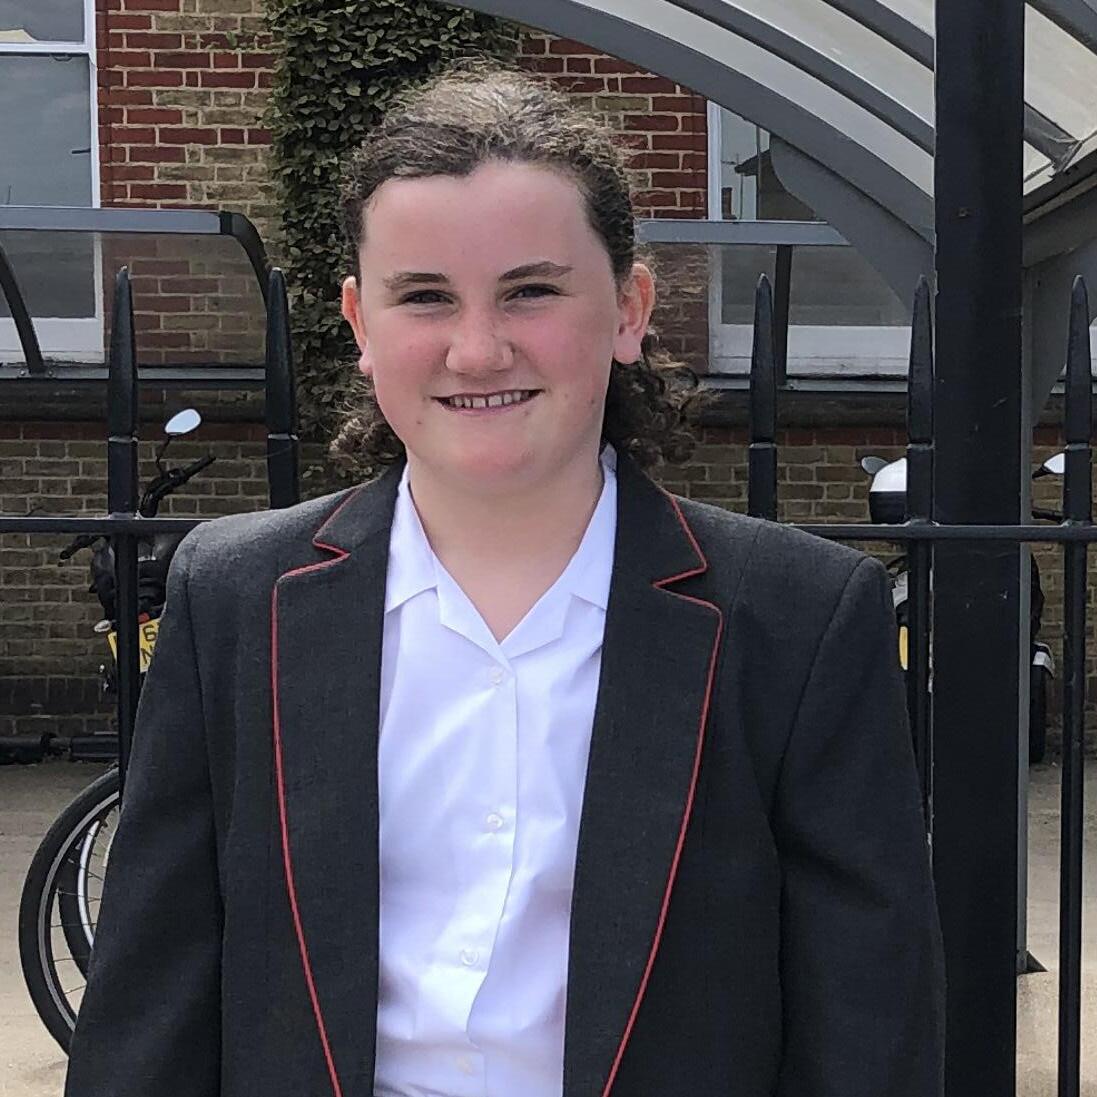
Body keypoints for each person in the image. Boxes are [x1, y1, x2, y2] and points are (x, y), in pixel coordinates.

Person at [65, 62, 944, 1097]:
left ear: (628, 309)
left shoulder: (798, 617)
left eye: (530, 290)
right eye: (423, 296)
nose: (477, 350)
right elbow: (152, 998)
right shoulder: (233, 595)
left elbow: (867, 1026)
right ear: (359, 324)